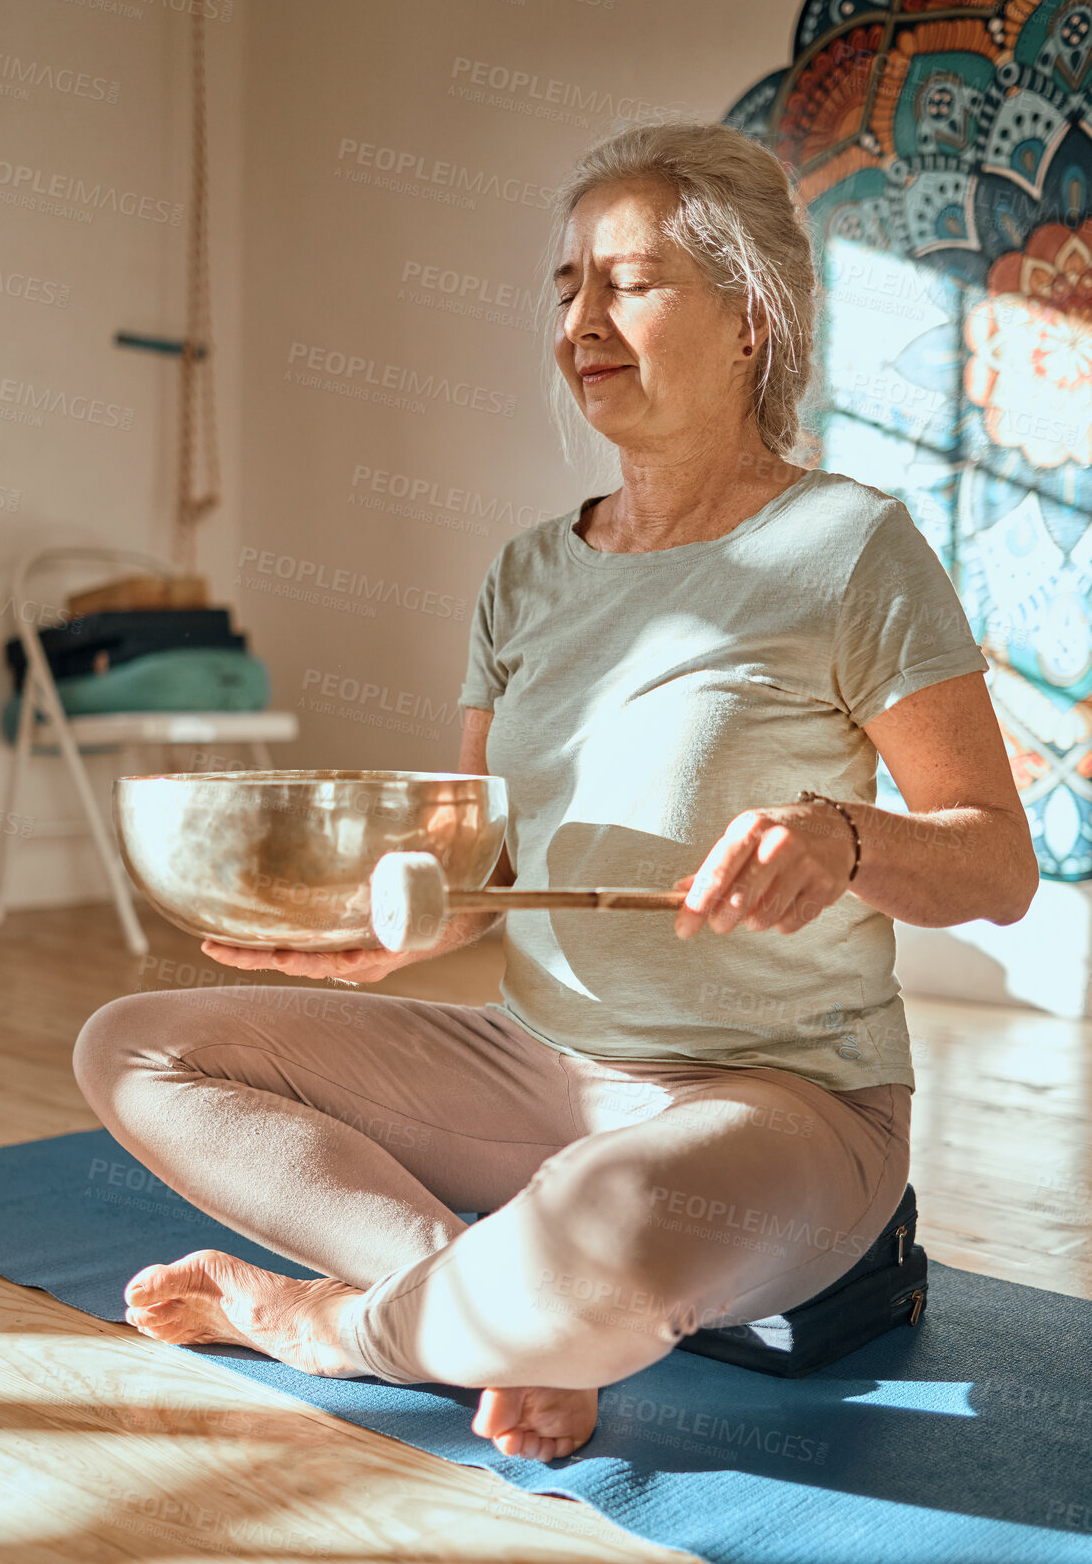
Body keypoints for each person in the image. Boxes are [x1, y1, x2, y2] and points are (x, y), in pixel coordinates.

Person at [73, 121, 1038, 1463]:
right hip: (532, 1070)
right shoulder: (528, 574)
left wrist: (839, 836)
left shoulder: (845, 547)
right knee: (132, 1044)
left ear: (750, 317)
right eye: (568, 284)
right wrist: (384, 931)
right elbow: (481, 876)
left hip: (783, 1105)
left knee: (614, 1210)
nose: (583, 318)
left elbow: (997, 869)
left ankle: (330, 1323)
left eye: (629, 284)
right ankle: (502, 1322)